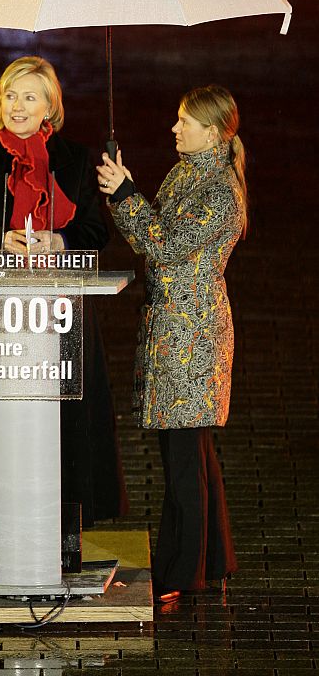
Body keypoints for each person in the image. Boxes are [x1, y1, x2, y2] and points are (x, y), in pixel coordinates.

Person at [0, 55, 128, 529]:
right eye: (10, 95)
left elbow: (95, 231)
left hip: (60, 313)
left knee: (66, 427)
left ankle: (65, 535)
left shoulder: (76, 159)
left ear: (50, 107)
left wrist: (60, 241)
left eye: (30, 97)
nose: (18, 106)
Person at [97, 84, 246, 602]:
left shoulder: (217, 192)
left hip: (193, 335)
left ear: (212, 132)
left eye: (184, 121)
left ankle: (184, 571)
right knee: (192, 454)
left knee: (184, 458)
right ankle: (215, 558)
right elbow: (153, 234)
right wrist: (128, 191)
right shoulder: (189, 173)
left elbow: (163, 247)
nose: (174, 128)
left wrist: (125, 193)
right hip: (176, 331)